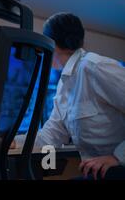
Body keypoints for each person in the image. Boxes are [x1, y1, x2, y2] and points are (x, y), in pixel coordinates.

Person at [13, 13, 125, 180]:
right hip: (97, 172)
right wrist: (14, 142)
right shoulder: (64, 84)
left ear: (52, 43)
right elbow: (50, 136)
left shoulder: (94, 67)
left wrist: (118, 157)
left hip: (117, 167)